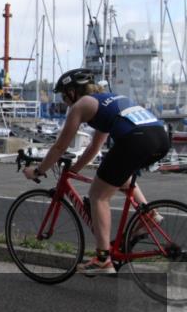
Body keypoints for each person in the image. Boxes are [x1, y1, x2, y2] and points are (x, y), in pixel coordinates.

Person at [23, 68, 170, 275]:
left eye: (64, 96)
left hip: (136, 140)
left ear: (73, 92)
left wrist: (38, 171)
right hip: (160, 138)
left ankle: (103, 259)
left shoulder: (81, 105)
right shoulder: (107, 100)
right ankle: (149, 214)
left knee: (98, 196)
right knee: (120, 176)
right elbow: (94, 148)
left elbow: (60, 147)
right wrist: (73, 171)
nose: (65, 101)